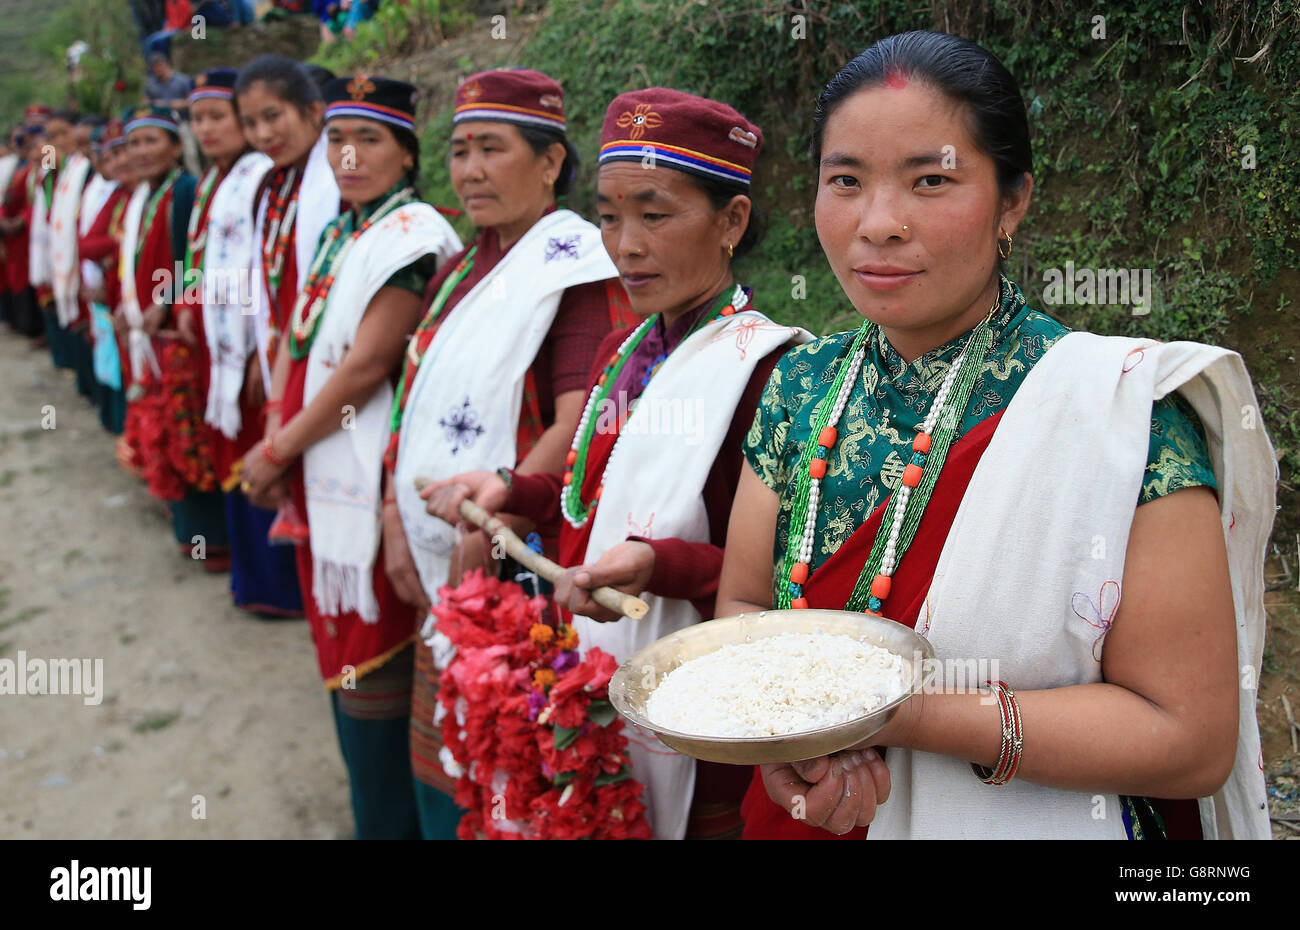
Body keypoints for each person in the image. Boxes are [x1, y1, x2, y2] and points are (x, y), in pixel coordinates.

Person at [711, 31, 1276, 840]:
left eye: (931, 181)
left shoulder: (1116, 413)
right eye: (846, 181)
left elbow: (1187, 738)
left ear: (1014, 201)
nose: (879, 224)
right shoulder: (801, 388)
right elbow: (746, 602)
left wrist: (899, 719)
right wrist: (787, 734)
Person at [419, 87, 810, 840]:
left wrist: (660, 565)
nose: (625, 244)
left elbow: (786, 579)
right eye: (607, 215)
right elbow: (586, 493)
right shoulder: (623, 351)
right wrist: (509, 488)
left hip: (700, 725)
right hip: (594, 674)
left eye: (655, 215)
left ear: (731, 222)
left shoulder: (769, 373)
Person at [385, 68, 632, 839]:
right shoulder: (462, 265)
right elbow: (412, 391)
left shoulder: (575, 267)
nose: (470, 171)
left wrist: (501, 490)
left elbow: (582, 420)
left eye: (492, 148)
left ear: (552, 161)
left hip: (517, 566)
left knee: (509, 772)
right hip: (445, 560)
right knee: (448, 759)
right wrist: (394, 519)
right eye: (459, 151)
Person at [238, 75, 461, 839]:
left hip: (368, 481)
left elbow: (366, 370)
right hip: (320, 463)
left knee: (375, 663)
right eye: (337, 138)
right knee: (341, 658)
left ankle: (389, 824)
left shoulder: (415, 236)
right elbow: (296, 344)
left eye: (369, 139)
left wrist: (277, 449)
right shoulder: (345, 230)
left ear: (406, 152)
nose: (348, 155)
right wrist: (280, 437)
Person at [222, 54, 339, 618]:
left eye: (274, 115)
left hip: (329, 364)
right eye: (251, 123)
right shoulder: (271, 187)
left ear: (313, 110)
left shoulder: (337, 181)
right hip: (283, 356)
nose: (263, 133)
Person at [115, 104, 219, 573]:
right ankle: (185, 530)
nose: (140, 152)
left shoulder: (185, 192)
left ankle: (211, 541)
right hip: (152, 336)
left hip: (179, 334)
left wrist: (173, 296)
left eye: (150, 141)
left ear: (177, 147)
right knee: (164, 431)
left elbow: (196, 257)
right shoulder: (143, 197)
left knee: (188, 432)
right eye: (133, 143)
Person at [191, 69, 278, 599]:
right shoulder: (211, 183)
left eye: (217, 117)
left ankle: (273, 586)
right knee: (231, 458)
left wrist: (254, 351)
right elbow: (202, 257)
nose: (206, 129)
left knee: (257, 459)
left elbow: (264, 269)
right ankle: (248, 579)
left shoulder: (259, 175)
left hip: (249, 350)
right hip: (218, 343)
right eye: (197, 119)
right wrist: (184, 301)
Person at [78, 120, 134, 434]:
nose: (118, 162)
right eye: (110, 157)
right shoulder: (118, 197)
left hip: (161, 310)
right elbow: (86, 246)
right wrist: (120, 244)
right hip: (120, 307)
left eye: (124, 151)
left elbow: (184, 268)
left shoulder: (176, 192)